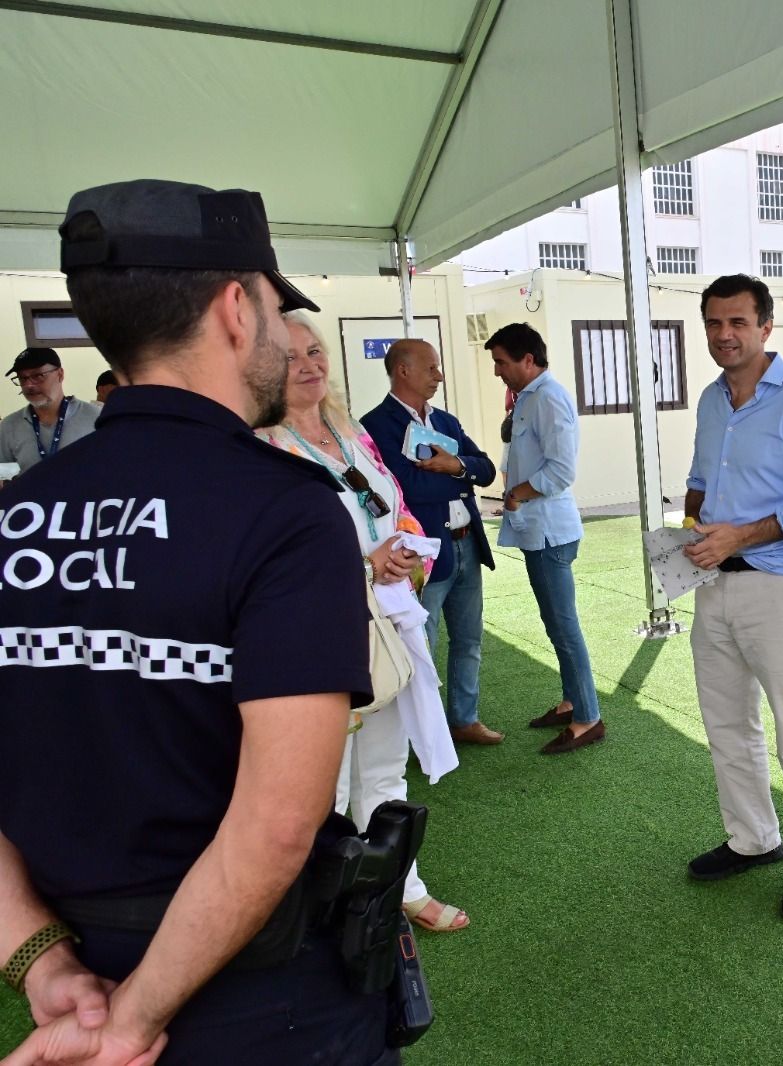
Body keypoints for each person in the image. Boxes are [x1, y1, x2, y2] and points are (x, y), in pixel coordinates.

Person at [0, 179, 395, 1063]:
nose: (285, 337)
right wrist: (134, 1020)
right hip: (262, 999)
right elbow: (277, 824)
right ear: (235, 309)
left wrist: (42, 963)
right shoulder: (286, 512)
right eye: (276, 309)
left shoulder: (13, 511)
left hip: (80, 981)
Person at [264, 312, 469, 935]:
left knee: (385, 769)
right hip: (317, 638)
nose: (309, 365)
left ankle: (400, 889)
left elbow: (396, 508)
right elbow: (268, 554)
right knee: (321, 785)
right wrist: (362, 564)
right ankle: (315, 911)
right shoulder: (256, 447)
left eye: (315, 350)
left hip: (386, 626)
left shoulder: (349, 431)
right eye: (290, 356)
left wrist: (407, 552)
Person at [681, 274, 783, 920]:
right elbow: (700, 480)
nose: (724, 334)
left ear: (766, 327)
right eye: (714, 323)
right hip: (713, 585)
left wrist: (741, 535)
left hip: (780, 586)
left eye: (738, 322)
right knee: (726, 725)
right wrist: (692, 527)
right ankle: (753, 839)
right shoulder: (710, 400)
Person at [362, 338, 502, 748]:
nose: (439, 376)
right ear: (403, 370)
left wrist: (454, 465)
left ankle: (464, 719)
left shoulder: (445, 421)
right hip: (423, 553)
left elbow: (486, 470)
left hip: (466, 544)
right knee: (423, 643)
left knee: (469, 639)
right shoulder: (376, 425)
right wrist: (461, 477)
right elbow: (405, 488)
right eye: (431, 368)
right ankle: (419, 733)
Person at [487, 322, 606, 754]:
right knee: (556, 625)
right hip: (538, 530)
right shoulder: (529, 397)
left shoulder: (549, 398)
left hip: (550, 532)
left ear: (528, 360)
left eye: (501, 362)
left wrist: (516, 494)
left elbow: (561, 470)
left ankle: (588, 718)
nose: (497, 371)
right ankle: (572, 701)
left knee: (563, 627)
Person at [0, 348, 100, 478]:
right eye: (22, 378)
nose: (29, 385)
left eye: (38, 376)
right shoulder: (9, 426)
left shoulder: (96, 417)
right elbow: (3, 475)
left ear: (60, 374)